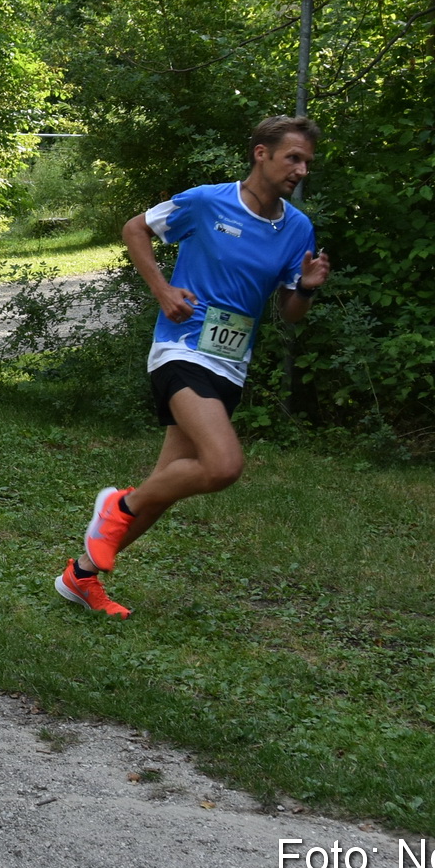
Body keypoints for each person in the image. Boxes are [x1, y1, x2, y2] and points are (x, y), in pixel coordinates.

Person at [54, 114, 331, 619]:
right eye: (293, 157)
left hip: (230, 365)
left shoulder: (297, 227)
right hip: (181, 350)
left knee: (163, 487)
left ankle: (81, 577)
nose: (301, 170)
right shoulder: (208, 201)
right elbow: (135, 228)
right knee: (223, 466)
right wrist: (162, 290)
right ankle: (114, 507)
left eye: (307, 162)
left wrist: (307, 288)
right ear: (261, 153)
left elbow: (289, 313)